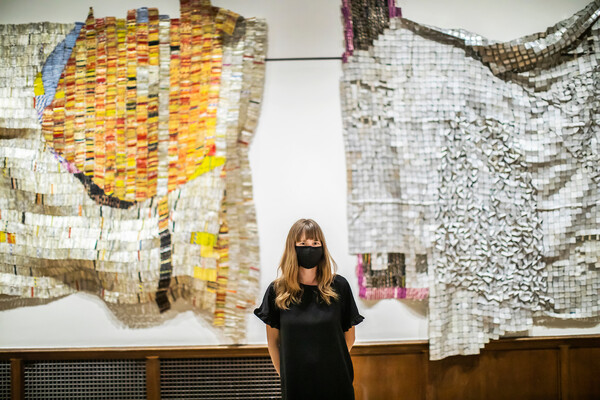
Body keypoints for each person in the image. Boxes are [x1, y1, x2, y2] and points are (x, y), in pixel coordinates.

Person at [254, 218, 364, 400]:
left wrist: (328, 366)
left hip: (336, 381)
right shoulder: (277, 291)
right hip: (296, 383)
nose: (310, 248)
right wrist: (286, 375)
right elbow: (273, 343)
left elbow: (349, 337)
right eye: (303, 243)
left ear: (323, 247)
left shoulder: (339, 286)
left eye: (315, 243)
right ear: (292, 247)